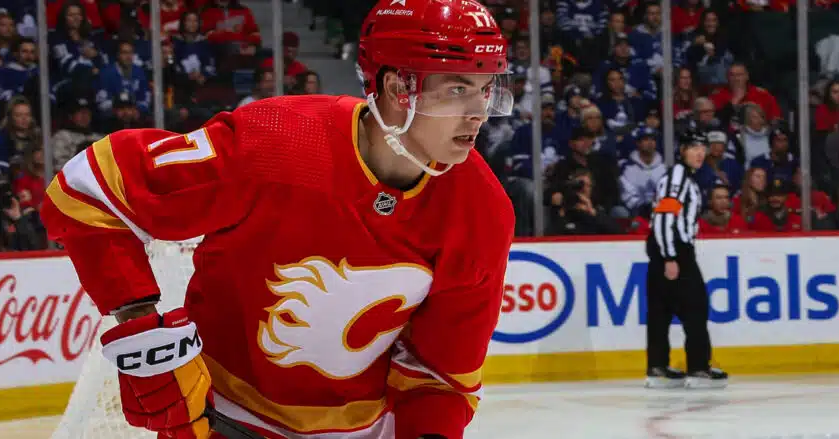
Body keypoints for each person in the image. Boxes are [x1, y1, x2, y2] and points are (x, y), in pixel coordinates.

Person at [39, 1, 515, 438]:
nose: (479, 113)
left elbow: (441, 375)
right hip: (221, 413)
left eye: (486, 89)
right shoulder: (274, 143)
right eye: (457, 89)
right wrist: (143, 330)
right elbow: (86, 189)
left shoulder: (482, 212)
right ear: (397, 87)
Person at [645, 132, 728, 390]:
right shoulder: (678, 180)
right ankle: (698, 368)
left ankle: (657, 368)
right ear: (682, 151)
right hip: (674, 249)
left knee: (662, 309)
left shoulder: (680, 178)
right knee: (695, 307)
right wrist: (670, 255)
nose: (700, 153)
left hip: (666, 247)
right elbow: (664, 220)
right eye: (693, 147)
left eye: (702, 147)